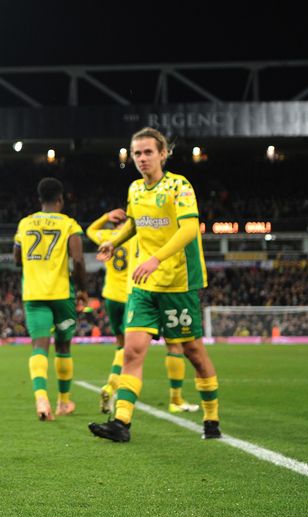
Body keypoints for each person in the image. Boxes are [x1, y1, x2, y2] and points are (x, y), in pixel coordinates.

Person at [89, 127, 221, 442]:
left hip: (178, 282)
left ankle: (212, 419)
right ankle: (121, 423)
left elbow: (189, 229)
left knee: (193, 352)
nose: (143, 159)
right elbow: (134, 223)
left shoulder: (179, 187)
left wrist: (156, 259)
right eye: (137, 153)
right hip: (144, 286)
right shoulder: (135, 189)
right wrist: (113, 241)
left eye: (149, 152)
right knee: (132, 351)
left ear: (163, 153)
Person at [87, 210, 198, 414]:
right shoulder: (139, 235)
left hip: (111, 296)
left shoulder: (109, 237)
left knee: (122, 346)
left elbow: (90, 230)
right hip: (136, 294)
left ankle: (112, 385)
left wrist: (105, 216)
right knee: (174, 344)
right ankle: (176, 398)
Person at [14, 177, 87, 421]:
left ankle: (41, 398)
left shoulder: (25, 223)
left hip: (33, 294)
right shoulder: (69, 224)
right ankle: (64, 402)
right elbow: (77, 260)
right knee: (64, 346)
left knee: (39, 347)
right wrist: (83, 290)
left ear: (39, 200)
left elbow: (16, 258)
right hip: (61, 294)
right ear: (61, 199)